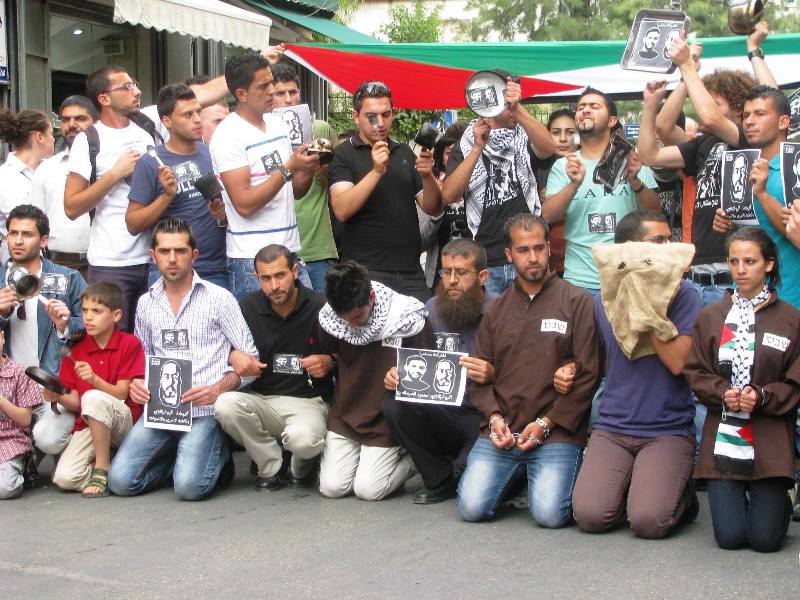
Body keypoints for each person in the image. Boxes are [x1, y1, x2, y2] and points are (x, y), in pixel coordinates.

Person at [457, 213, 601, 526]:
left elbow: (589, 374)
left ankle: (540, 472)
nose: (533, 257)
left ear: (549, 248)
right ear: (509, 255)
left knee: (549, 515)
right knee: (471, 508)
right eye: (523, 250)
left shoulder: (577, 301)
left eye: (538, 248)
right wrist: (494, 418)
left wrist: (546, 424)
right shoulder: (496, 309)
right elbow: (479, 376)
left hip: (556, 431)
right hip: (503, 430)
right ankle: (518, 475)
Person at [108, 217, 258, 501]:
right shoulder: (146, 303)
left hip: (204, 412)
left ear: (194, 255)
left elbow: (251, 363)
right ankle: (181, 464)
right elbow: (143, 359)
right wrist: (138, 383)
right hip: (161, 412)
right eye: (164, 251)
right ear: (153, 256)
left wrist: (217, 390)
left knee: (190, 488)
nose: (172, 258)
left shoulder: (220, 298)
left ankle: (216, 460)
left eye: (180, 250)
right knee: (120, 482)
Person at [572, 210, 702, 539]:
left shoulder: (685, 293)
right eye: (657, 241)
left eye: (669, 239)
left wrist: (647, 307)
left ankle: (679, 495)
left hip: (667, 428)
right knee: (590, 516)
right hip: (613, 426)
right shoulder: (602, 298)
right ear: (628, 249)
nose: (668, 247)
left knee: (649, 521)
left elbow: (678, 363)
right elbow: (598, 363)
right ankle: (637, 483)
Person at [684, 227, 800, 552]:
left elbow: (796, 381)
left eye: (750, 261)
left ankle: (779, 497)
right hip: (724, 435)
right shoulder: (710, 316)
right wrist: (722, 392)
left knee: (765, 541)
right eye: (734, 261)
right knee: (730, 538)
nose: (740, 269)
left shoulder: (791, 320)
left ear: (769, 264)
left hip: (769, 433)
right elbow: (695, 371)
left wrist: (762, 396)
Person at [382, 239, 495, 504]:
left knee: (472, 479)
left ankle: (462, 468)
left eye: (462, 273)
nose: (452, 281)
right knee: (394, 403)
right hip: (444, 411)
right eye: (446, 272)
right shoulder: (431, 309)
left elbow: (522, 374)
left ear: (482, 277)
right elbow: (417, 361)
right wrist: (398, 375)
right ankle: (438, 479)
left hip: (486, 417)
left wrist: (494, 373)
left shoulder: (502, 311)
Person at [215, 244, 334, 491]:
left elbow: (348, 352)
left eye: (280, 275)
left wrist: (329, 361)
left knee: (304, 440)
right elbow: (217, 346)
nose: (274, 286)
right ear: (257, 278)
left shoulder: (320, 306)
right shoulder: (248, 306)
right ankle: (270, 466)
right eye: (266, 278)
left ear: (295, 271)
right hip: (263, 399)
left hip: (308, 401)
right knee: (225, 404)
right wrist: (233, 355)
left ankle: (302, 468)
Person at [316, 261, 433, 500]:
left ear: (371, 297)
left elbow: (427, 367)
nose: (351, 325)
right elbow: (334, 355)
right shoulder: (330, 319)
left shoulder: (407, 316)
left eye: (357, 316)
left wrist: (403, 375)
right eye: (344, 319)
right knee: (332, 487)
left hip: (386, 417)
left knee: (369, 490)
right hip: (347, 411)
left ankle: (414, 457)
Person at [209, 52, 319, 299]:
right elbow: (244, 204)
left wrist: (308, 167)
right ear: (241, 94)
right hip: (253, 260)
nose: (272, 91)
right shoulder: (228, 135)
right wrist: (289, 167)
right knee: (262, 325)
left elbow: (295, 191)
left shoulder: (277, 124)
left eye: (271, 83)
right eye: (263, 86)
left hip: (289, 250)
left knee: (309, 320)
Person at [328, 81, 442, 302]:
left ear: (393, 114)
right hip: (364, 273)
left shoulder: (404, 151)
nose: (379, 123)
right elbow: (341, 209)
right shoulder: (344, 153)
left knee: (422, 322)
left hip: (409, 271)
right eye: (371, 116)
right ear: (355, 116)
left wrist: (428, 176)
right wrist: (376, 171)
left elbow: (432, 207)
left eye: (386, 114)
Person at [63, 66, 157, 332]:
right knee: (111, 343)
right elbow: (71, 206)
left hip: (152, 258)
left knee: (148, 342)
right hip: (110, 262)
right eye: (126, 87)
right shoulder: (89, 139)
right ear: (104, 98)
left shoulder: (145, 131)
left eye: (134, 84)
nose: (136, 91)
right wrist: (114, 174)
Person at [442, 78, 555, 295]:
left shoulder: (525, 134)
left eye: (514, 100)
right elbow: (449, 195)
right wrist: (477, 148)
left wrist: (517, 109)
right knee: (489, 317)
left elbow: (549, 148)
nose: (511, 105)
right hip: (487, 260)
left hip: (528, 257)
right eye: (506, 101)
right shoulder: (468, 142)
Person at [543, 87, 659, 294]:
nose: (585, 110)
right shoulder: (564, 165)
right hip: (580, 281)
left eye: (594, 106)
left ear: (612, 120)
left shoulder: (633, 160)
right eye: (581, 107)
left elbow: (656, 213)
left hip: (629, 278)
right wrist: (573, 185)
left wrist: (635, 182)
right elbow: (548, 215)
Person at [0, 205, 87, 457]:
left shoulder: (67, 278)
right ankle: (23, 455)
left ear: (44, 240)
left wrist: (65, 326)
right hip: (9, 389)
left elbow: (97, 327)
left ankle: (47, 449)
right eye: (13, 233)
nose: (18, 241)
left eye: (27, 234)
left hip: (52, 386)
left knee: (47, 439)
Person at [46, 282, 145, 498]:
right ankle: (111, 465)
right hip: (90, 422)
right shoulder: (75, 349)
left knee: (92, 396)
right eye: (84, 311)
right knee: (64, 478)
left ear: (116, 315)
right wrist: (58, 396)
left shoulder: (130, 343)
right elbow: (77, 403)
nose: (88, 318)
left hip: (123, 422)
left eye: (97, 311)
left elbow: (122, 393)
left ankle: (102, 467)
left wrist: (94, 380)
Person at [126, 83, 228, 289]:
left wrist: (222, 215)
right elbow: (133, 224)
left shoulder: (213, 152)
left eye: (198, 112)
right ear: (167, 121)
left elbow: (228, 216)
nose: (197, 119)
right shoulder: (151, 162)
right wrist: (166, 196)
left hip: (216, 269)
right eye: (187, 115)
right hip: (169, 270)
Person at [712, 86, 800, 308]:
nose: (749, 121)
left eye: (760, 114)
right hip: (746, 300)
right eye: (746, 115)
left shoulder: (795, 168)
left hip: (789, 299)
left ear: (783, 122)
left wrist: (762, 194)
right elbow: (758, 230)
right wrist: (731, 225)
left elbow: (794, 230)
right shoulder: (741, 168)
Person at [271, 63, 340, 292]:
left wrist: (323, 165)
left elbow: (338, 177)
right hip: (277, 247)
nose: (288, 99)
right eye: (280, 93)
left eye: (293, 91)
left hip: (317, 247)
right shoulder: (262, 136)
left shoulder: (320, 128)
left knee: (324, 311)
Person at [30, 96, 96, 278]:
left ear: (97, 123)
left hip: (104, 265)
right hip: (58, 264)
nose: (72, 124)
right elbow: (35, 222)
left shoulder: (111, 165)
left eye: (80, 118)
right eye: (66, 119)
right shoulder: (47, 169)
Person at [0, 328, 43, 499]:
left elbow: (25, 419)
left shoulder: (20, 372)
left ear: (2, 337)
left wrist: (1, 401)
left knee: (5, 488)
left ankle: (24, 467)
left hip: (11, 439)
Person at [0, 109, 55, 243]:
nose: (54, 139)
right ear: (40, 137)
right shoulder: (5, 177)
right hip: (17, 250)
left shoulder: (53, 169)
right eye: (51, 133)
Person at [544, 108, 578, 276]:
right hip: (545, 264)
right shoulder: (534, 168)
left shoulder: (590, 166)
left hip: (578, 262)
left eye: (570, 132)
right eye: (556, 132)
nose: (563, 139)